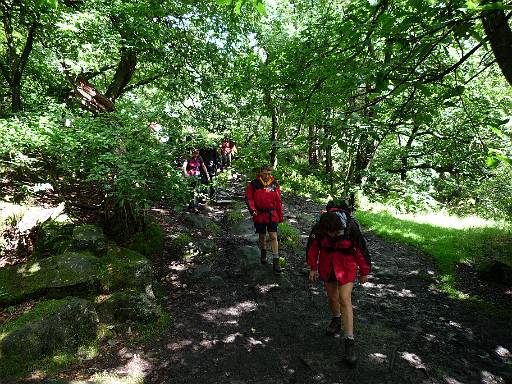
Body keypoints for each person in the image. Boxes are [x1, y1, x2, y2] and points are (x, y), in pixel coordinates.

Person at [307, 204, 371, 366]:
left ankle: (349, 341)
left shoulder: (350, 228)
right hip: (327, 266)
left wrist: (364, 271)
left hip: (346, 266)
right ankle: (336, 319)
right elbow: (312, 248)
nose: (330, 235)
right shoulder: (319, 228)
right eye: (327, 233)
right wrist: (313, 267)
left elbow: (361, 251)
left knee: (344, 299)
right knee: (332, 297)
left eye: (332, 233)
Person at [245, 165, 284, 273]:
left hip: (272, 214)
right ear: (261, 173)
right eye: (265, 173)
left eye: (269, 173)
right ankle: (263, 254)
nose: (267, 176)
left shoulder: (275, 184)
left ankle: (276, 261)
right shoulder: (254, 184)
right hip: (259, 214)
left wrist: (280, 215)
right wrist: (252, 210)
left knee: (273, 236)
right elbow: (249, 198)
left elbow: (279, 201)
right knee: (262, 236)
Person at [182, 148, 211, 213]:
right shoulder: (189, 158)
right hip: (190, 176)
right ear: (192, 153)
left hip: (197, 176)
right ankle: (190, 205)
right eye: (195, 153)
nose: (196, 155)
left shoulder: (199, 158)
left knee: (196, 191)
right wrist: (185, 174)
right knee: (191, 191)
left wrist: (207, 175)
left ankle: (195, 207)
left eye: (197, 153)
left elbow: (203, 166)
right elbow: (184, 166)